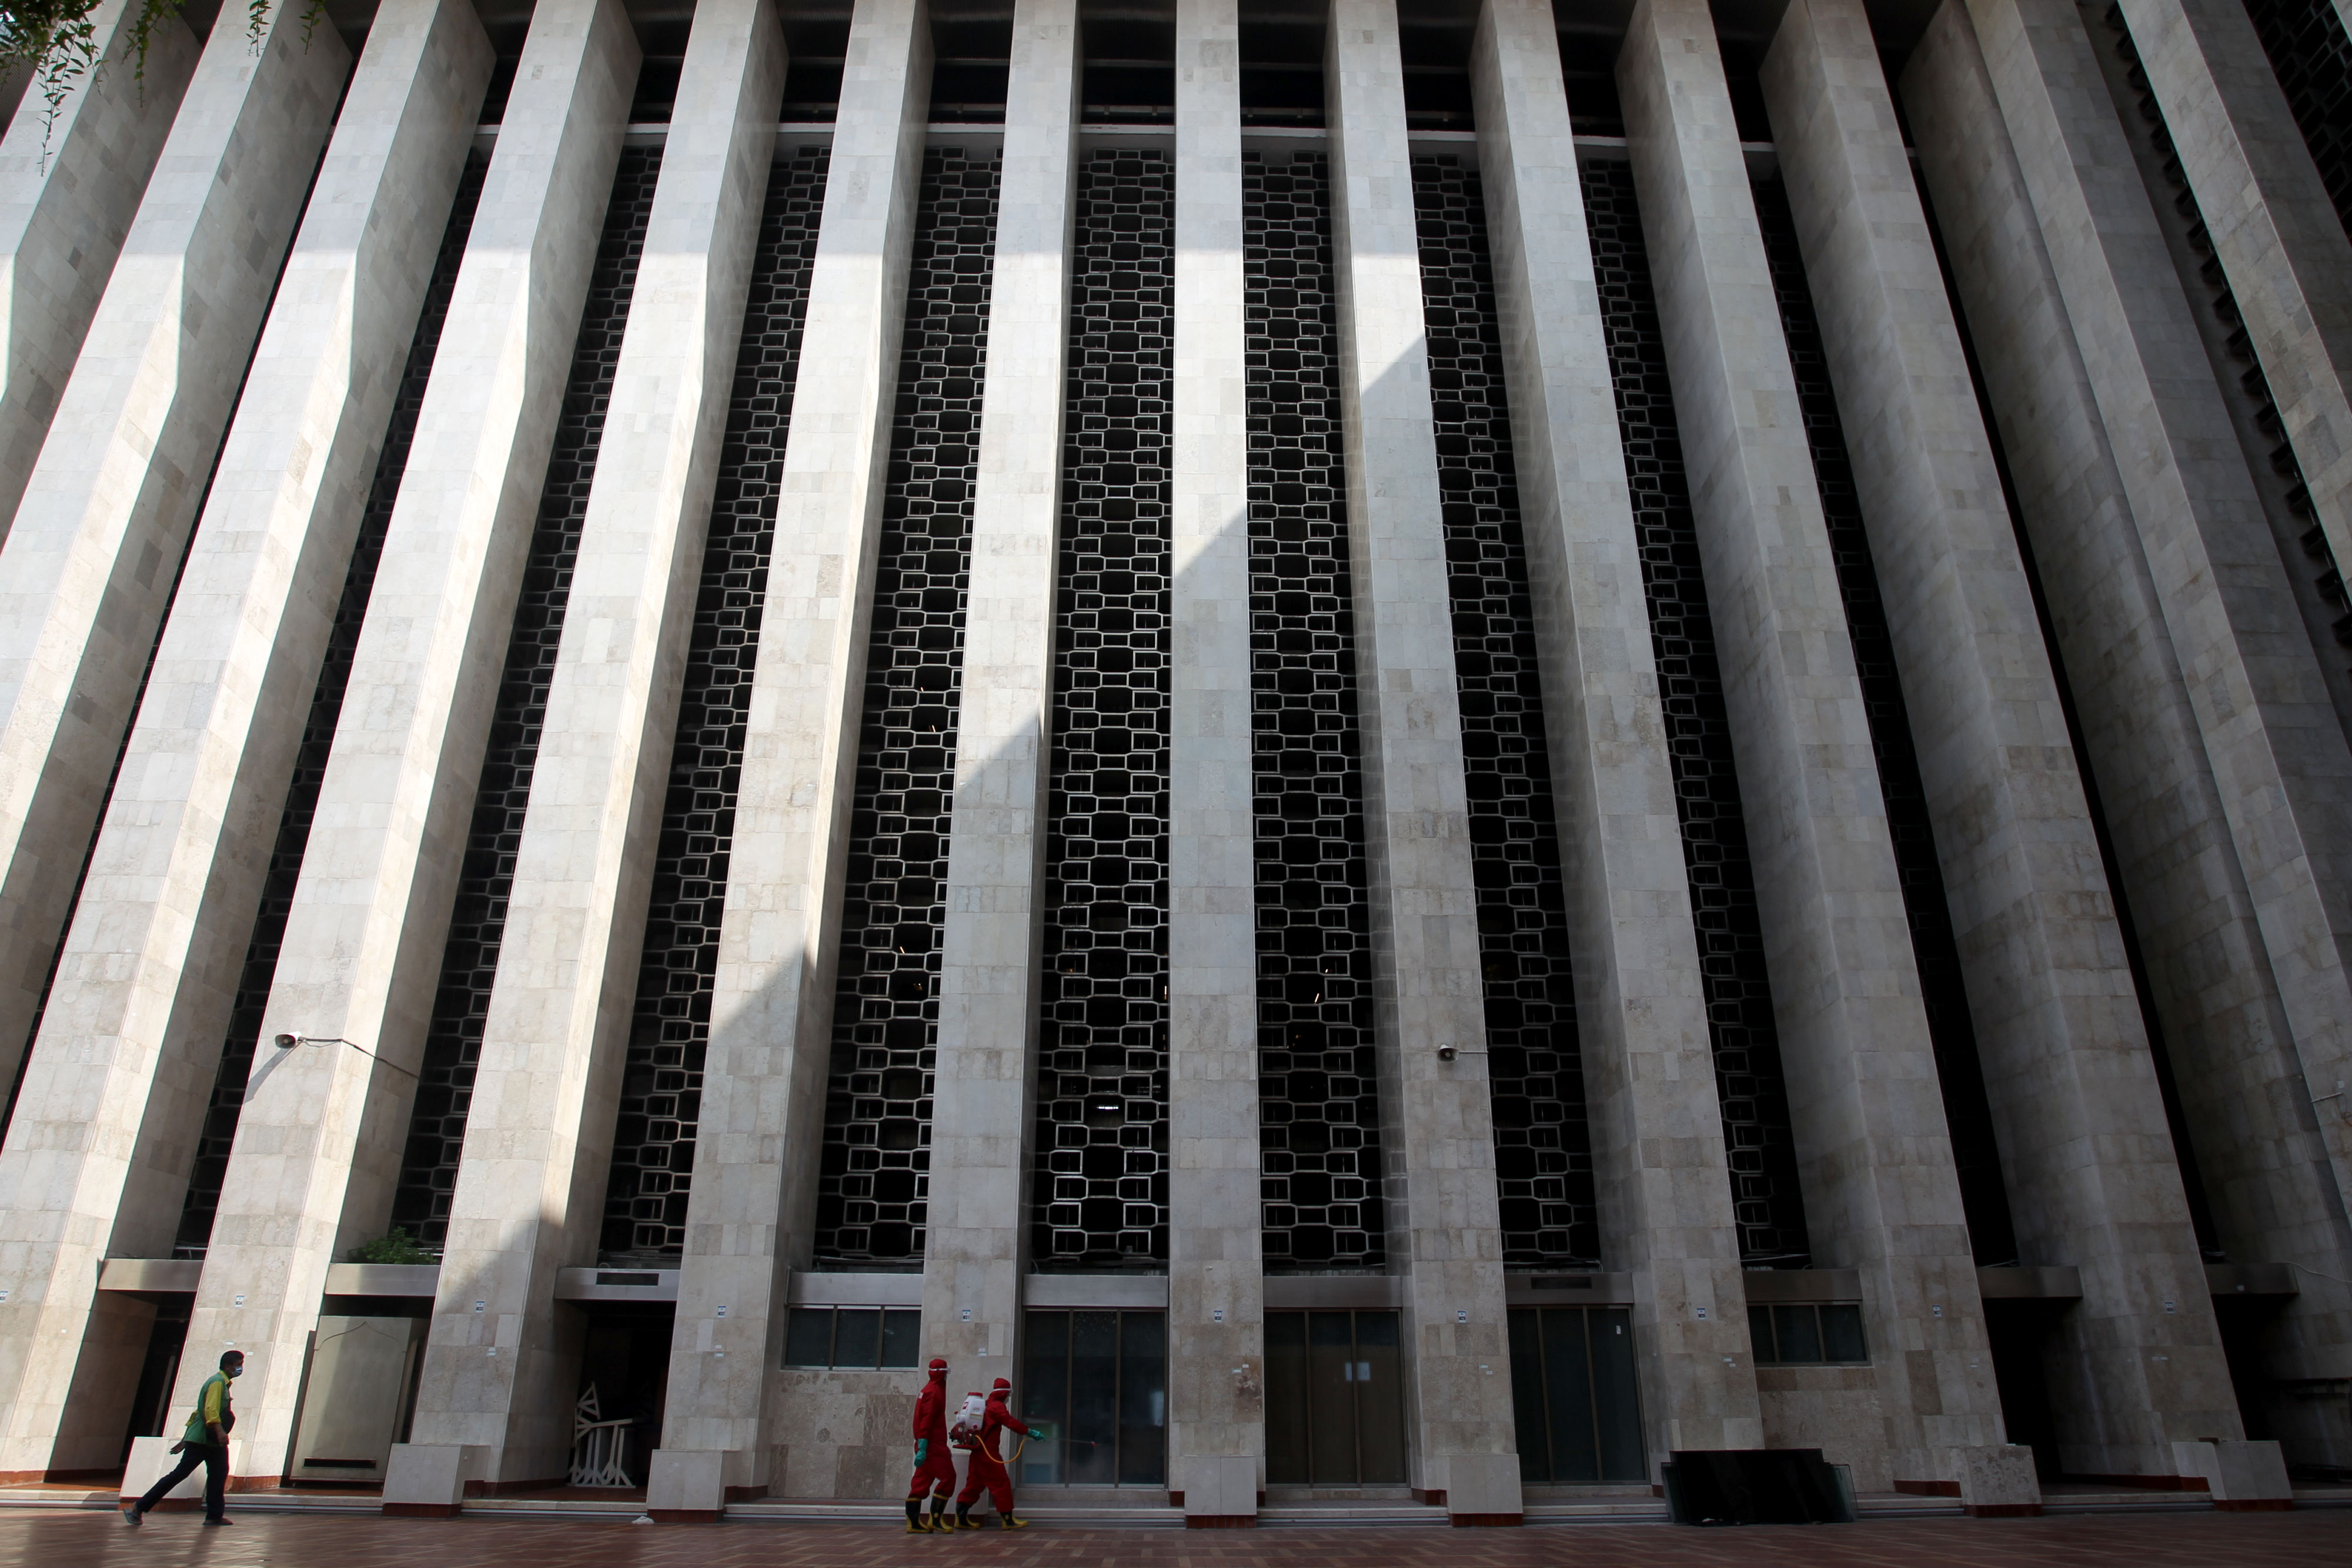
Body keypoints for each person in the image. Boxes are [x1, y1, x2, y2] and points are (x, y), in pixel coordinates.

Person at [122, 1349, 242, 1528]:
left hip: (209, 1440)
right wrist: (220, 1432)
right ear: (228, 1366)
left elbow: (197, 1414)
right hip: (206, 1439)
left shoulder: (222, 1383)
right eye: (238, 1364)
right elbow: (209, 1410)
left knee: (218, 1474)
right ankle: (139, 1507)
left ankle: (215, 1516)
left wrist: (187, 1439)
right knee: (181, 1474)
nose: (240, 1368)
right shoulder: (217, 1383)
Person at [953, 1375, 1031, 1530]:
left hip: (978, 1453)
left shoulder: (987, 1404)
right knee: (1002, 1484)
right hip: (989, 1455)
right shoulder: (997, 1407)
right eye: (1008, 1395)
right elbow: (1010, 1422)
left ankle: (960, 1517)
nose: (1008, 1398)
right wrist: (1028, 1431)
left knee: (974, 1486)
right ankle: (1008, 1520)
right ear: (1004, 1394)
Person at [905, 1356, 957, 1532]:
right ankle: (936, 1519)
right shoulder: (934, 1392)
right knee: (949, 1478)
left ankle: (913, 1523)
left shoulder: (926, 1390)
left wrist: (921, 1446)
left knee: (921, 1482)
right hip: (933, 1446)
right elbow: (926, 1422)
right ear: (942, 1375)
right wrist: (924, 1447)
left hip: (925, 1444)